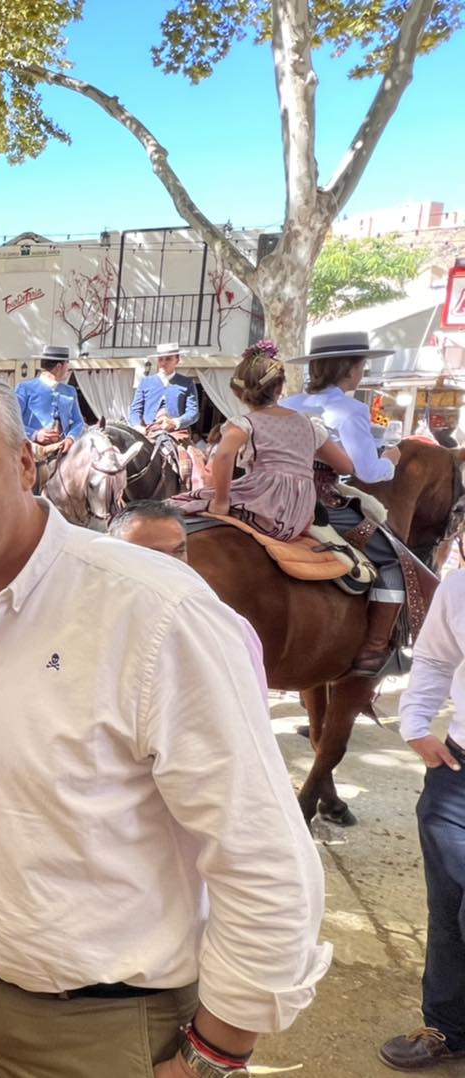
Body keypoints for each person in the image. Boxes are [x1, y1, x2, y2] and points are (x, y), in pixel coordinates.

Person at [0, 365, 330, 1078]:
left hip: (108, 1030)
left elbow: (265, 857)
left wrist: (215, 1052)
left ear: (26, 462)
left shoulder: (153, 613)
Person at [379, 570, 465, 1070]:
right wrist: (414, 723)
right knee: (449, 903)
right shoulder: (458, 589)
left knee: (381, 562)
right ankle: (448, 1027)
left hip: (317, 502)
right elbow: (435, 657)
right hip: (457, 772)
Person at [280, 331, 404, 677]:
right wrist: (391, 457)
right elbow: (365, 470)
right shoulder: (351, 410)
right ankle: (373, 651)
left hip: (274, 495)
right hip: (319, 498)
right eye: (362, 366)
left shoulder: (289, 403)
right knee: (392, 557)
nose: (362, 372)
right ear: (348, 370)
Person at [171, 341, 356, 541]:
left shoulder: (245, 423)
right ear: (279, 387)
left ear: (237, 392)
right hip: (300, 513)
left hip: (264, 501)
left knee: (177, 503)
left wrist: (221, 500)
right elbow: (346, 467)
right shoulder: (310, 425)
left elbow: (224, 455)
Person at [108, 499, 269, 704]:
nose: (170, 566)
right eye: (150, 554)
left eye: (178, 552)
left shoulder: (230, 627)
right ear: (112, 551)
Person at [15, 344, 85, 454]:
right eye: (67, 364)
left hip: (62, 451)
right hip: (30, 451)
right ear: (59, 366)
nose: (68, 368)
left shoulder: (70, 391)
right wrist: (35, 434)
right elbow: (12, 421)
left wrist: (70, 438)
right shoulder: (25, 388)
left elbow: (79, 421)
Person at [129, 342, 200, 434]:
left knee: (184, 449)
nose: (163, 363)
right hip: (148, 431)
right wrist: (137, 426)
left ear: (177, 360)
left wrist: (175, 422)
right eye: (160, 359)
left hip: (176, 432)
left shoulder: (187, 383)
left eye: (168, 359)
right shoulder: (145, 382)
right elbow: (135, 409)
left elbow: (193, 412)